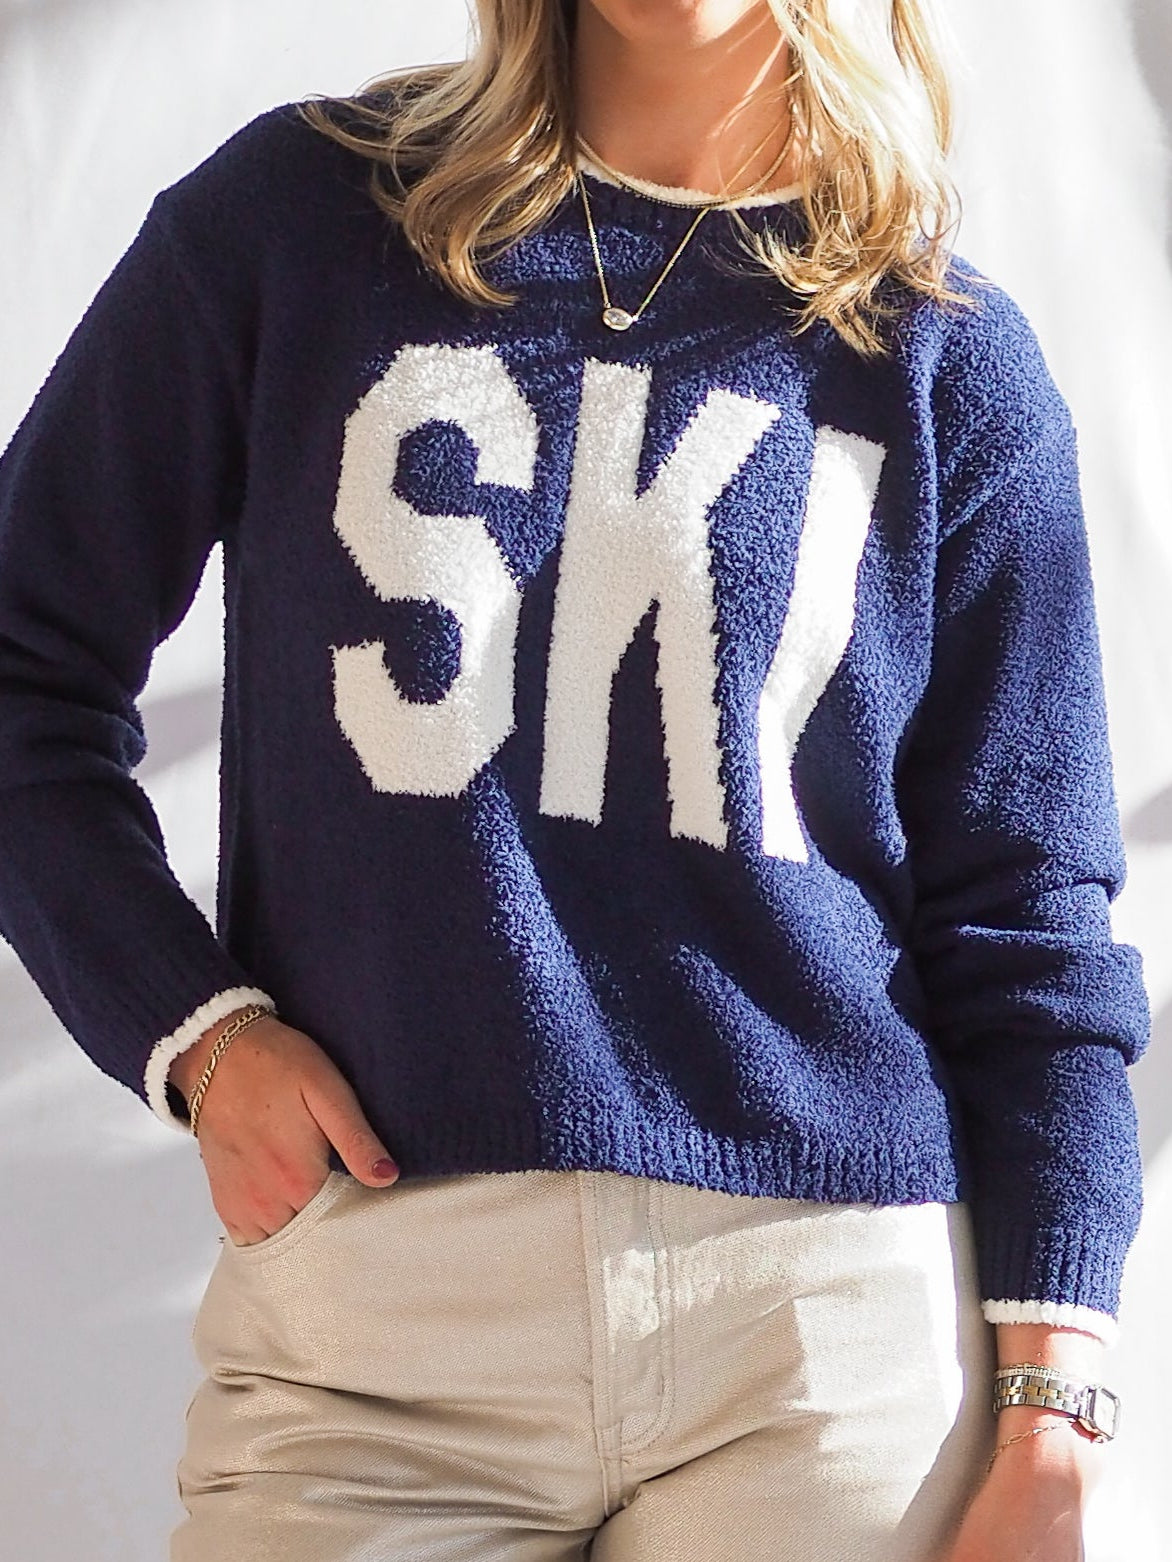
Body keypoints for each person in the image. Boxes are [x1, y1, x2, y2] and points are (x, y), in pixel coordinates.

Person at [0, 1, 1149, 1557]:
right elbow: (23, 667)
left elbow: (1029, 929)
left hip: (824, 1345)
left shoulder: (946, 361)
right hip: (379, 1328)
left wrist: (1052, 1418)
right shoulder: (298, 226)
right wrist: (198, 1032)